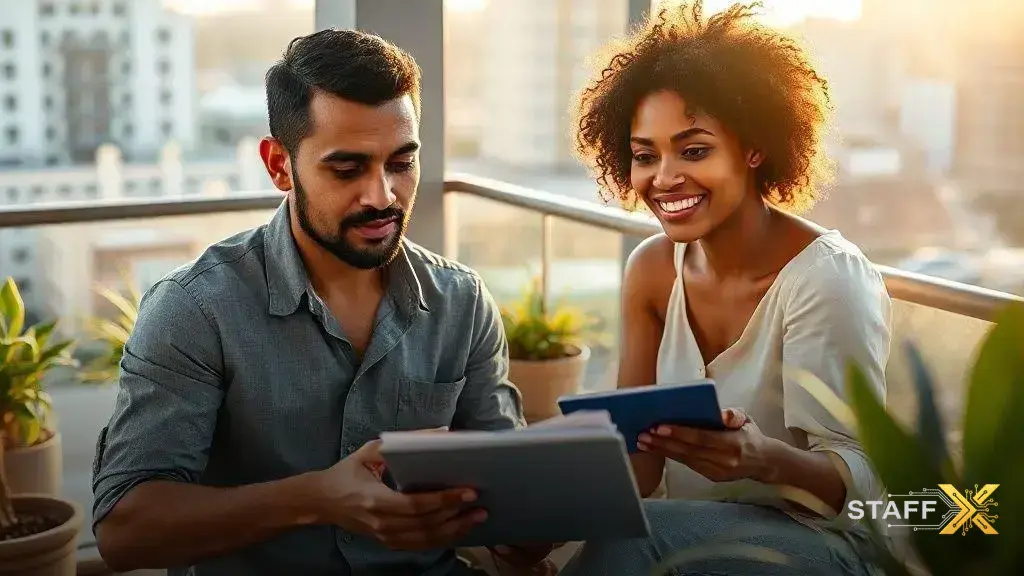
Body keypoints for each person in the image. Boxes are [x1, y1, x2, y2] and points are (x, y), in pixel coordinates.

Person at [91, 29, 557, 576]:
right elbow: (124, 533)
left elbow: (510, 502)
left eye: (401, 163)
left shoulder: (462, 301)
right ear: (279, 165)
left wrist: (529, 527)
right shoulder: (195, 309)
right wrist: (316, 499)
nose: (382, 196)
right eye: (347, 169)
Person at [561, 2, 892, 575]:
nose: (664, 178)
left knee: (632, 544)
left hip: (828, 544)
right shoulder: (652, 269)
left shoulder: (826, 279)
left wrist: (762, 460)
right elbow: (638, 467)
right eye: (645, 156)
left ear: (754, 147)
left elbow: (867, 488)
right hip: (693, 537)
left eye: (694, 151)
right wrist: (541, 508)